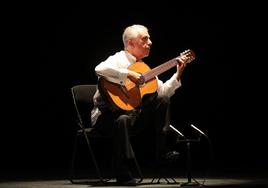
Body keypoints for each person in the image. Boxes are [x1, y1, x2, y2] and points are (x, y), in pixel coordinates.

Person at [91, 24, 189, 185]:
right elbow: (99, 69)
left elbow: (163, 92)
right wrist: (128, 74)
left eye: (149, 38)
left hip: (133, 116)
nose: (150, 42)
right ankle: (123, 173)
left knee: (162, 100)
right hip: (106, 118)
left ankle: (162, 153)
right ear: (130, 43)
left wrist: (178, 72)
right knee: (122, 119)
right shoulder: (118, 59)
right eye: (145, 39)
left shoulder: (144, 68)